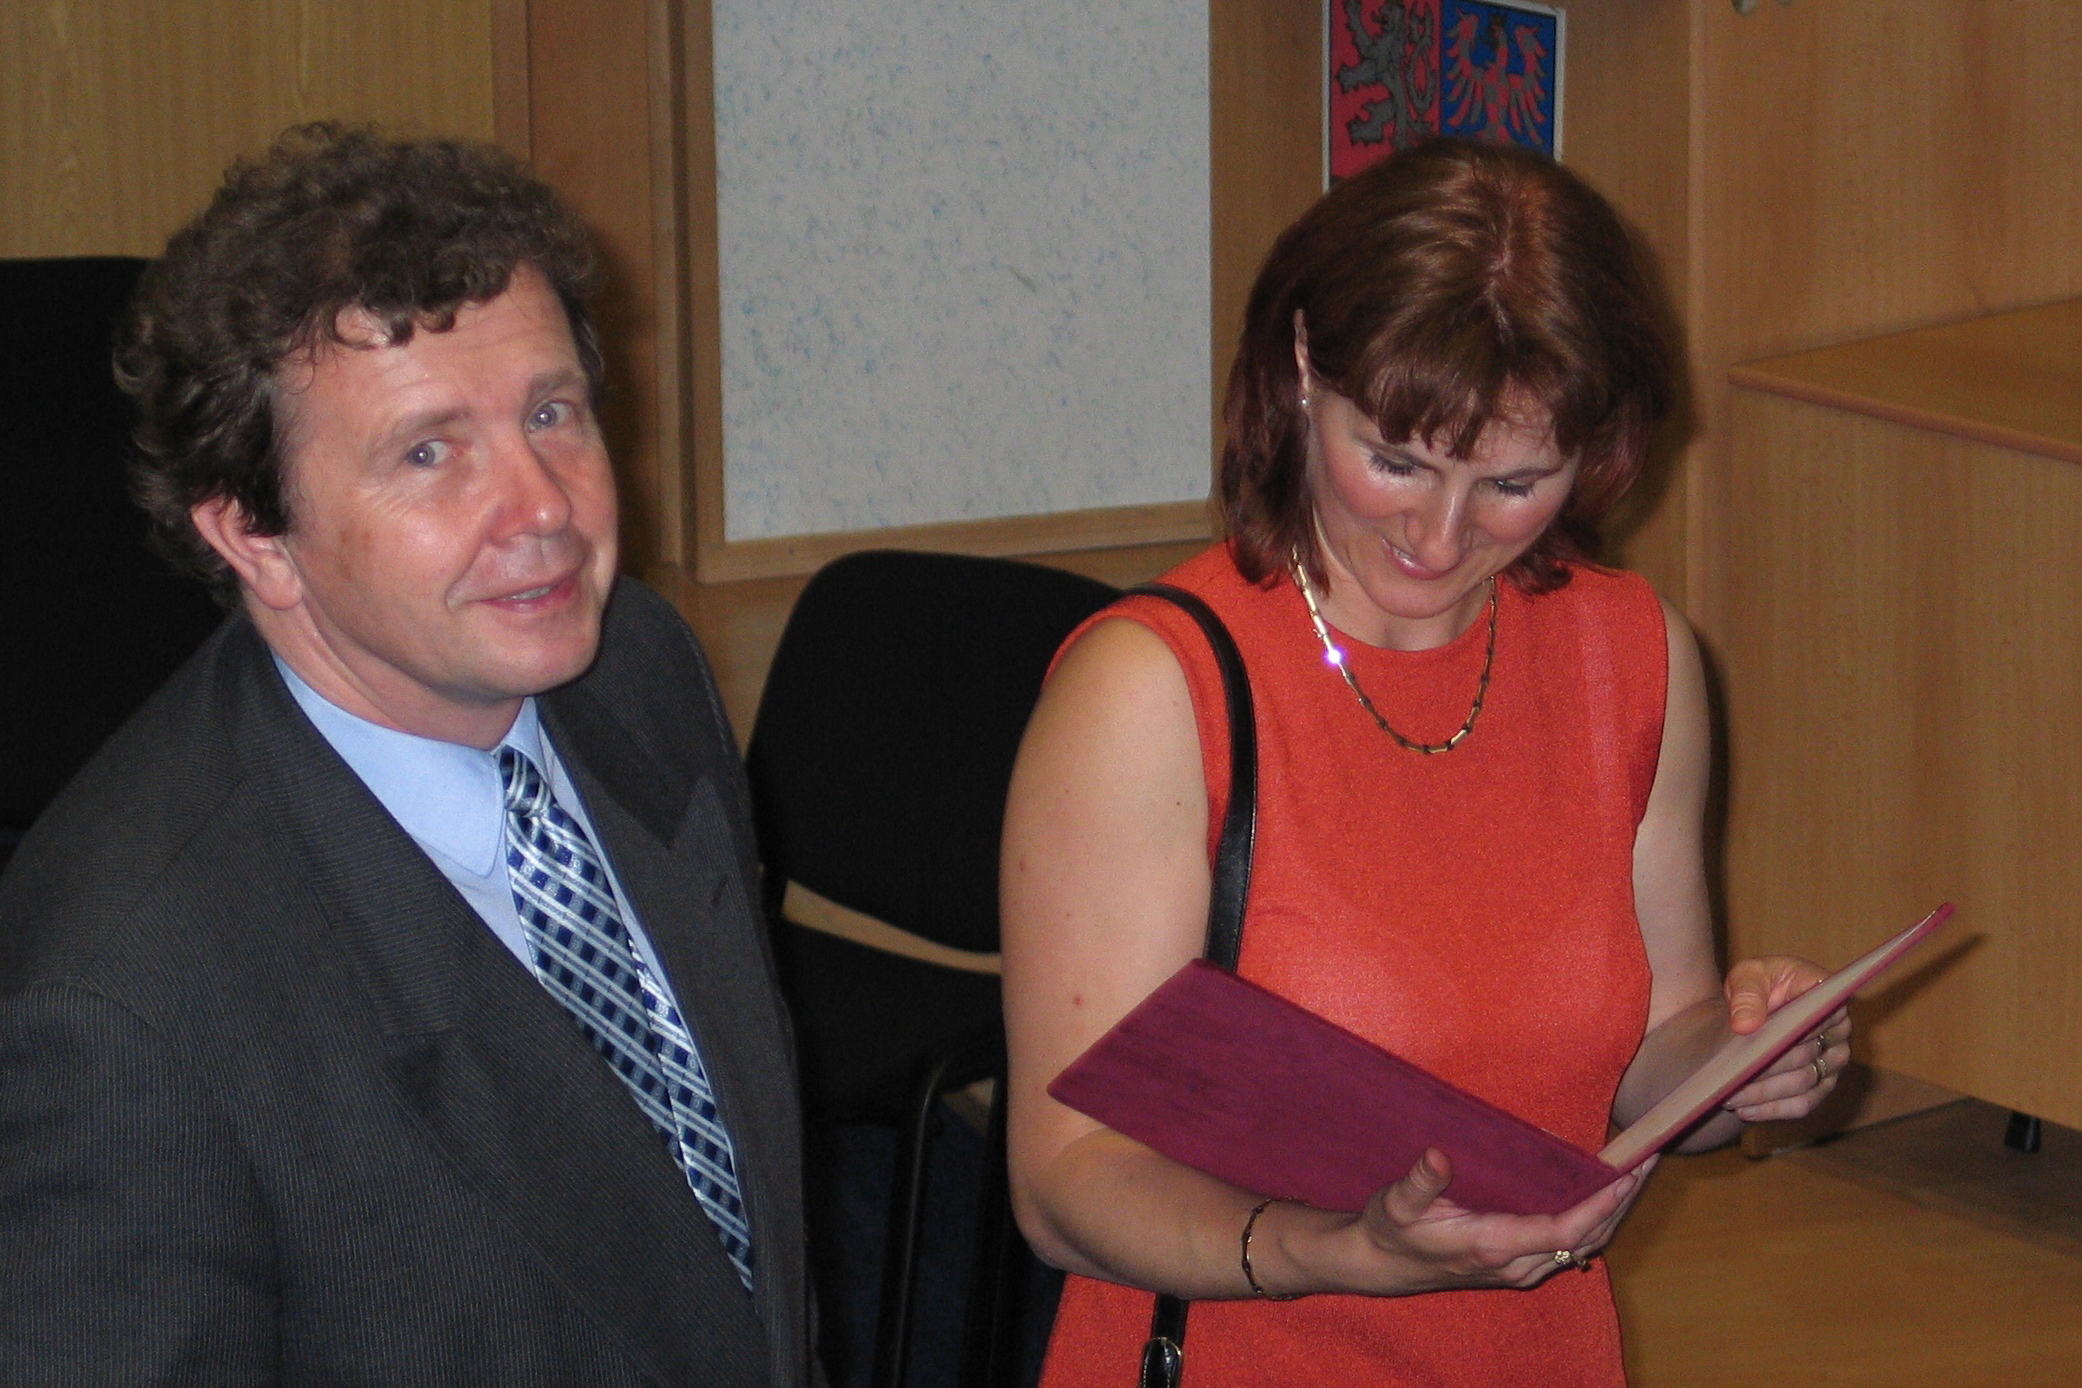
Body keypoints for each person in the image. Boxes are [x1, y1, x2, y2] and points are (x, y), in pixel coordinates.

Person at [1000, 139, 1849, 1386]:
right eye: (1396, 460)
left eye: (1513, 482)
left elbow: (1652, 1054)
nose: (1441, 536)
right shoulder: (1152, 693)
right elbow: (1063, 1179)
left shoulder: (1633, 657)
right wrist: (1336, 1249)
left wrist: (1744, 1058)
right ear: (1303, 368)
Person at [0, 124, 817, 1385]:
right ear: (255, 536)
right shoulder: (120, 1010)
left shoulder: (637, 669)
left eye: (551, 412)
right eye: (429, 452)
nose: (544, 505)